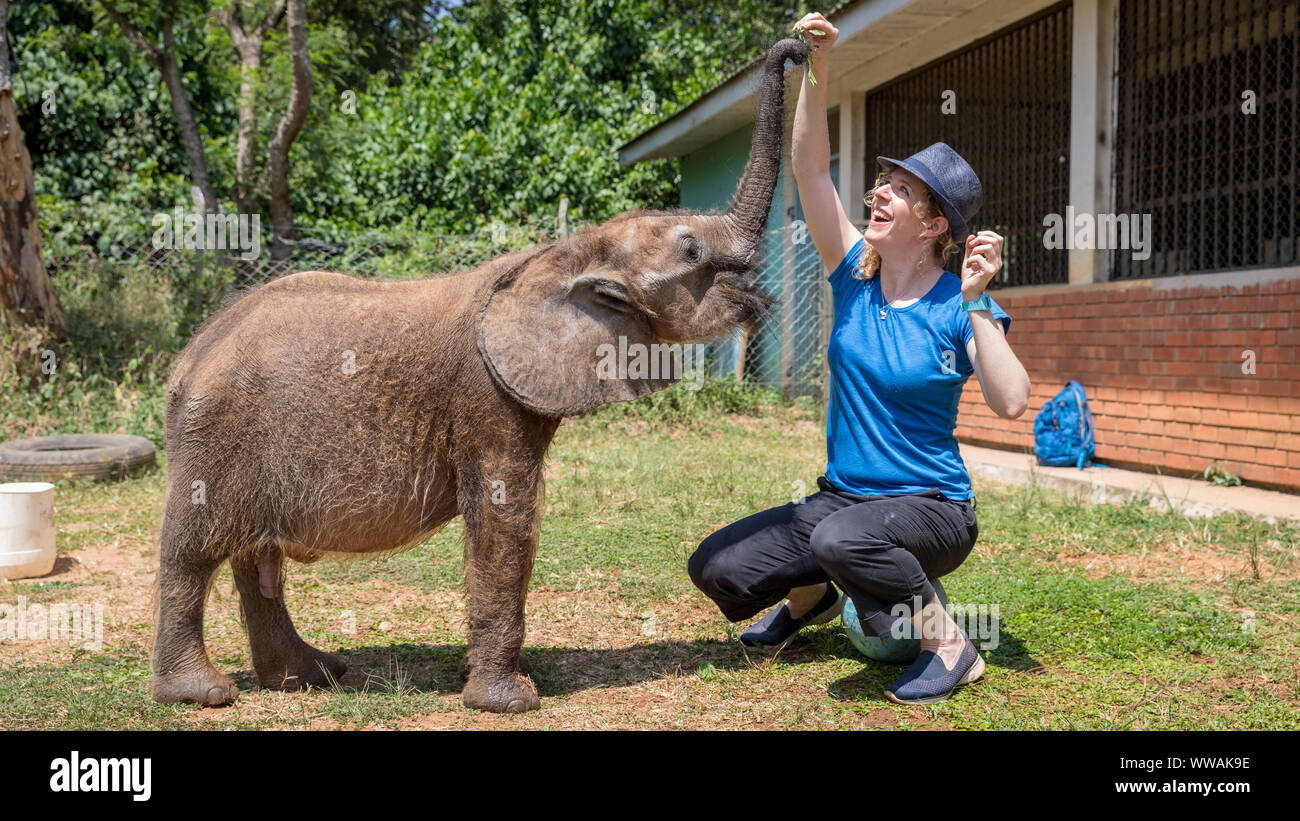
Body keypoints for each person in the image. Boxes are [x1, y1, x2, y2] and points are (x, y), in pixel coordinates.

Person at [687, 10, 1032, 704]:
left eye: (900, 190)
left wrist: (974, 301)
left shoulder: (956, 304)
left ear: (934, 225)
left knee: (849, 542)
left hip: (930, 508)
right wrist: (819, 68)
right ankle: (811, 598)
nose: (879, 192)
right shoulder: (856, 275)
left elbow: (1014, 399)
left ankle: (951, 644)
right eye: (883, 183)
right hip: (843, 500)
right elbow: (811, 168)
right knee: (718, 566)